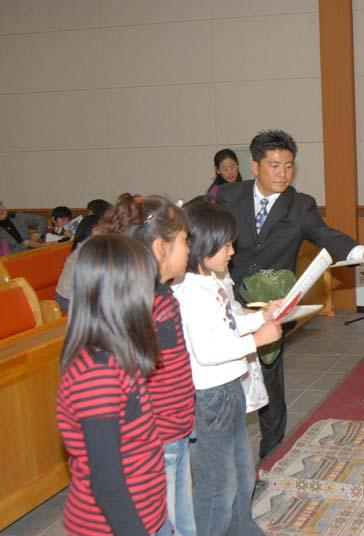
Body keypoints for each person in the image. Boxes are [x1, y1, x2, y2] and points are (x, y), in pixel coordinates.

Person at [216, 129, 364, 460]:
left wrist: (362, 252)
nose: (282, 174)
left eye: (288, 166)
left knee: (270, 378)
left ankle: (271, 453)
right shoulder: (228, 196)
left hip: (271, 306)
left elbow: (327, 235)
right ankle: (225, 450)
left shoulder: (299, 205)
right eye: (274, 165)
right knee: (226, 377)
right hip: (228, 301)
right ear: (255, 166)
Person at [172, 196, 282, 536]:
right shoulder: (190, 292)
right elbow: (209, 350)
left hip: (229, 389)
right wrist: (257, 340)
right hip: (209, 398)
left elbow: (229, 323)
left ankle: (242, 529)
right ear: (202, 245)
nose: (232, 251)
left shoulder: (211, 281)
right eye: (226, 245)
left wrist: (262, 316)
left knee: (242, 474)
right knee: (218, 487)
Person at [98, 194, 197, 536]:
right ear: (160, 248)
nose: (189, 250)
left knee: (183, 521)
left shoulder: (161, 297)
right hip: (158, 440)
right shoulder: (146, 306)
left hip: (176, 430)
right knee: (161, 524)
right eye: (184, 240)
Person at [56, 234, 166, 535]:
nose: (152, 298)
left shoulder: (117, 356)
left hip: (147, 515)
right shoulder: (96, 375)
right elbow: (107, 481)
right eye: (147, 288)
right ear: (121, 295)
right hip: (113, 527)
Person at [54, 214, 101, 310]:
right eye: (97, 230)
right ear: (87, 231)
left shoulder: (92, 247)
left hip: (79, 295)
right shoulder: (86, 250)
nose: (103, 233)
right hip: (68, 298)